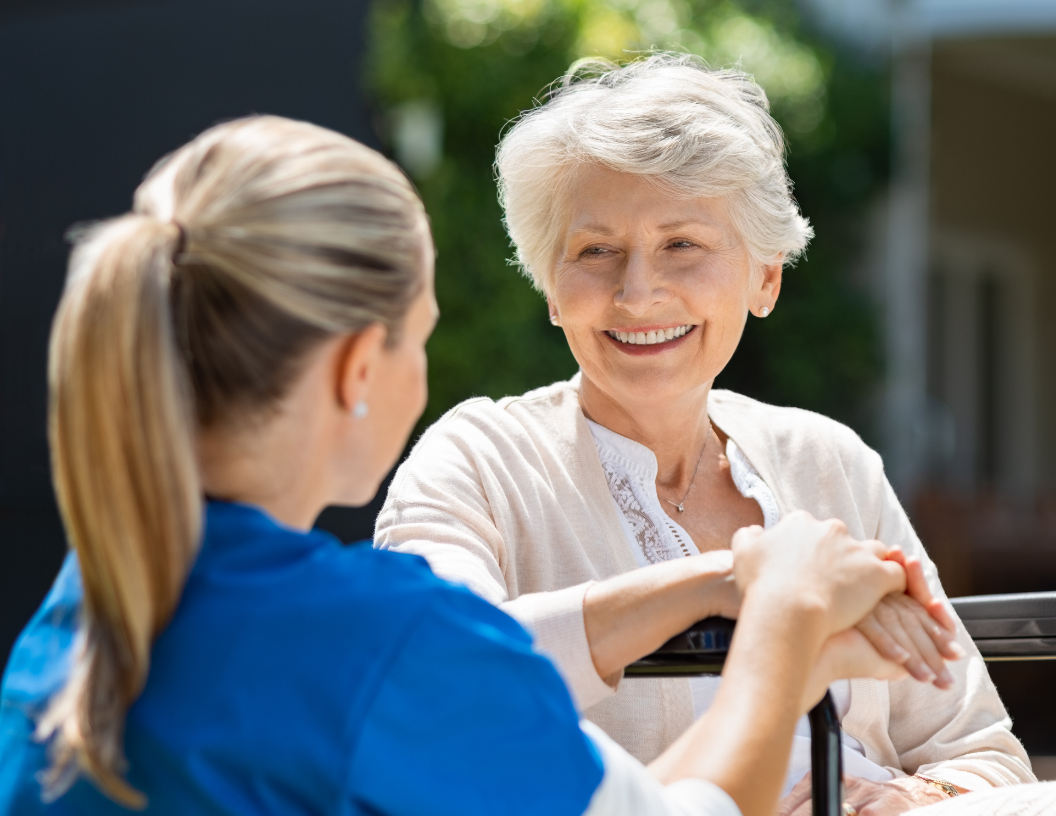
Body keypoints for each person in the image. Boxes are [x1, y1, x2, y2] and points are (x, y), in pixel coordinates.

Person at [0, 115, 936, 816]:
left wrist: (719, 580)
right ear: (359, 368)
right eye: (423, 339)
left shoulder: (91, 605)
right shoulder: (381, 642)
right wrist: (784, 617)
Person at [373, 53, 1035, 814]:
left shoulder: (829, 460)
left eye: (682, 244)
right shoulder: (479, 459)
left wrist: (904, 800)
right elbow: (435, 672)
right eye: (596, 251)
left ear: (766, 278)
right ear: (551, 287)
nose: (637, 291)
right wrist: (734, 582)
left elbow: (978, 750)